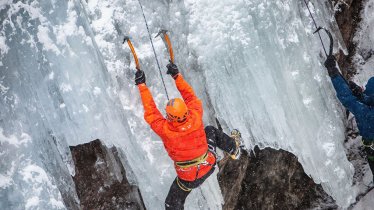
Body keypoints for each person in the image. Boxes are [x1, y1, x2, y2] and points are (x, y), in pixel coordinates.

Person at [135, 62, 242, 209]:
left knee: (172, 203)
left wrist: (142, 85)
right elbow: (190, 96)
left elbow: (151, 112)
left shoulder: (166, 130)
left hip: (188, 179)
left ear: (170, 117)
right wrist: (176, 75)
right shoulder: (195, 115)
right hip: (208, 165)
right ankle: (234, 148)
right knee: (210, 130)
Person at [324, 56, 374, 178]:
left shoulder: (368, 116)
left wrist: (334, 74)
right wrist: (361, 95)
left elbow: (348, 100)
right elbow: (369, 99)